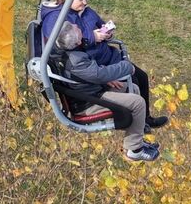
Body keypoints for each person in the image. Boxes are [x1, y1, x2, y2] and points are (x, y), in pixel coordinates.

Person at [41, 0, 168, 131]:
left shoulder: (86, 12)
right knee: (132, 81)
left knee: (142, 76)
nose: (85, 2)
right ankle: (140, 125)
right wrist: (92, 37)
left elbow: (99, 25)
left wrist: (107, 33)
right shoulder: (58, 17)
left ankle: (145, 119)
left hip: (106, 55)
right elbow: (66, 42)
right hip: (96, 62)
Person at [55, 22, 161, 161]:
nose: (77, 25)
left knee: (132, 88)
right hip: (89, 102)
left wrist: (104, 80)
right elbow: (99, 74)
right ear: (77, 41)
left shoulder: (67, 53)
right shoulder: (76, 60)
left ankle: (135, 140)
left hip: (90, 90)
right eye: (76, 28)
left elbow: (89, 75)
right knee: (138, 103)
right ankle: (134, 151)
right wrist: (127, 67)